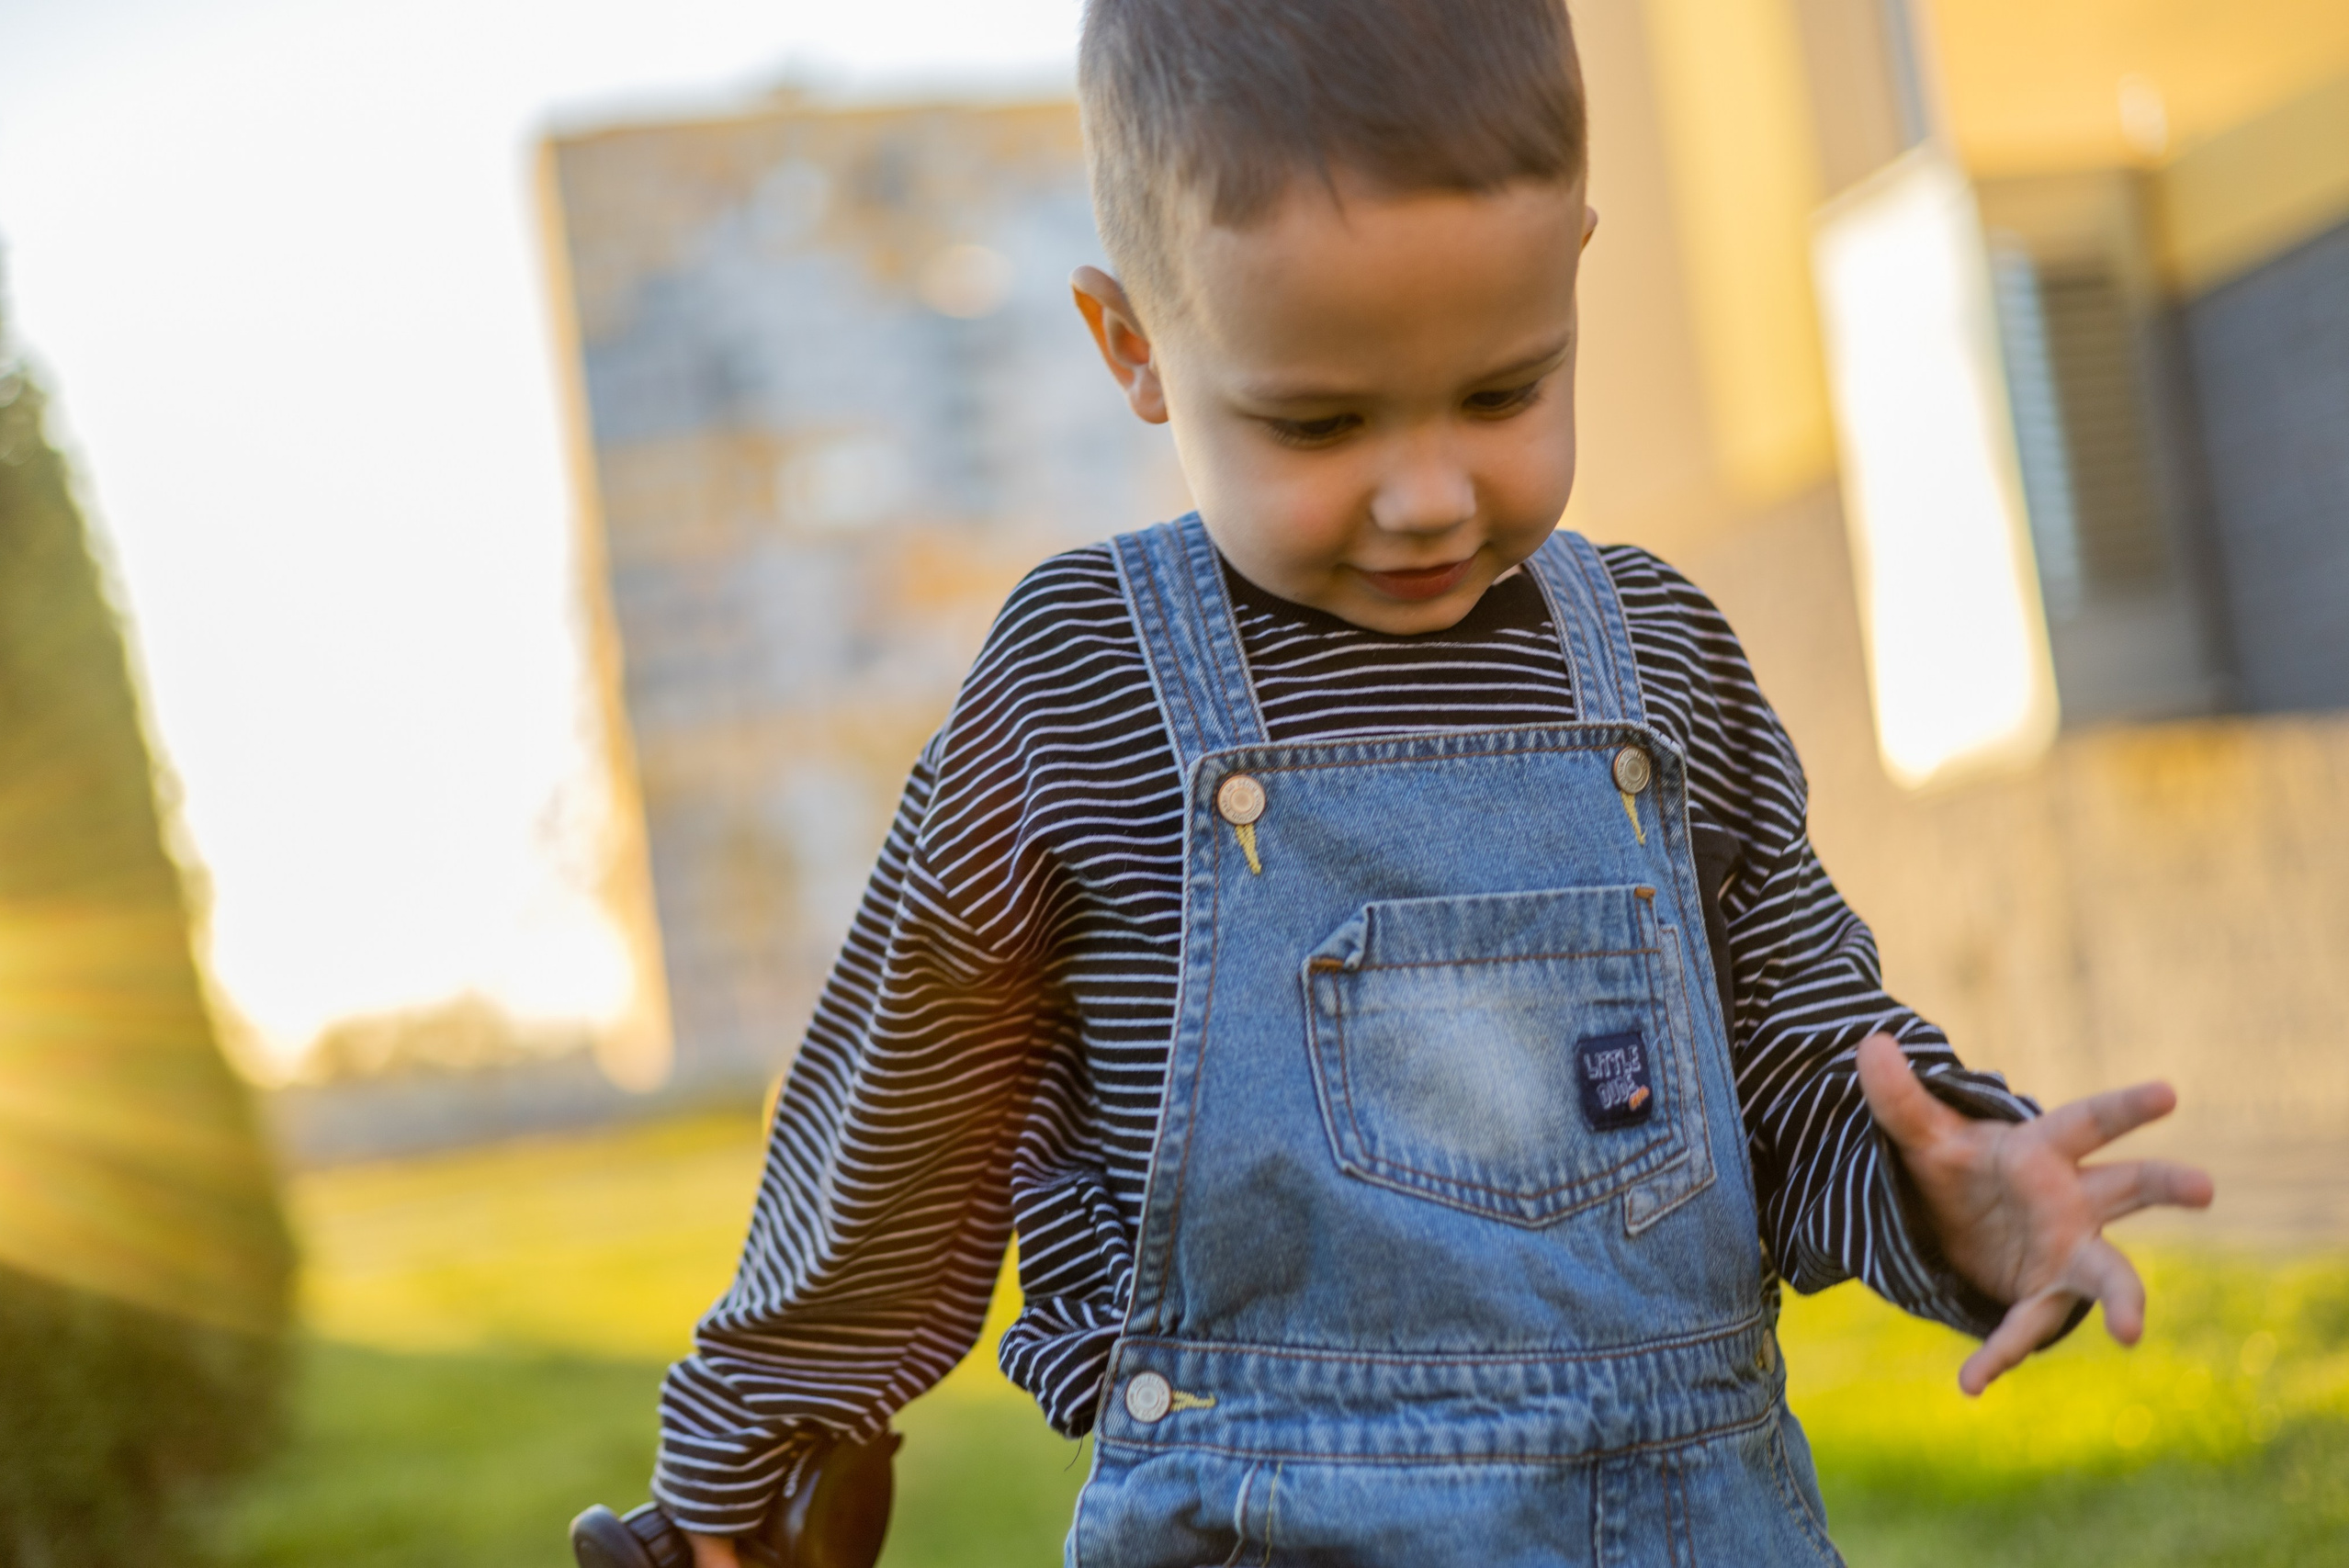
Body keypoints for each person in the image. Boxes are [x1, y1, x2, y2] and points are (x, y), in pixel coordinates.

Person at [653, 2, 2214, 1562]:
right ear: (1134, 345)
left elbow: (1803, 1059)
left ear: (1575, 274)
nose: (1427, 495)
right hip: (1251, 1520)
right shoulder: (1087, 678)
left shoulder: (1654, 659)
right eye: (1319, 421)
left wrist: (1957, 1200)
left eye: (1503, 392)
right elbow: (905, 1095)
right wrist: (754, 1440)